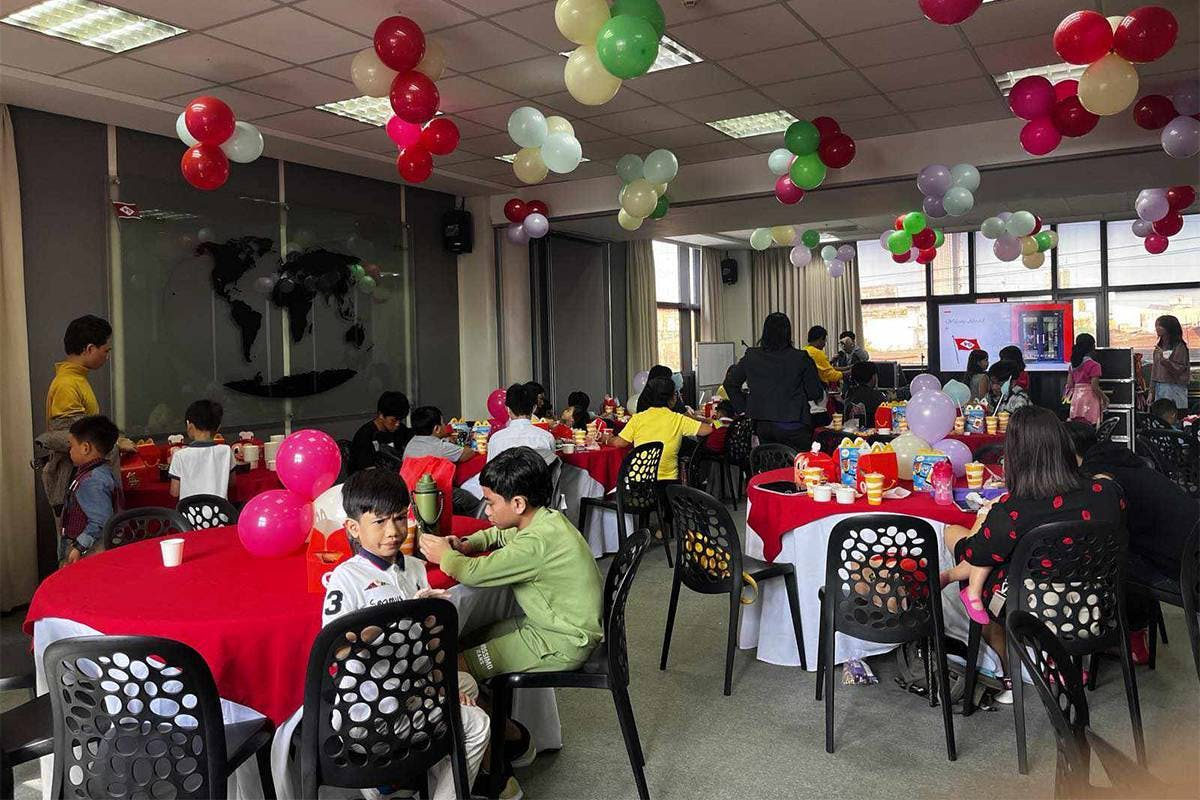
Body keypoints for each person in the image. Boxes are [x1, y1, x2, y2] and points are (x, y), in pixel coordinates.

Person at [322, 469, 489, 800]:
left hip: (407, 692)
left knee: (466, 684)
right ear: (353, 528)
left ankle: (426, 783)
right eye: (380, 522)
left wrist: (444, 687)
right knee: (478, 724)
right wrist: (399, 618)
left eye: (400, 518)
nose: (393, 531)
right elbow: (336, 648)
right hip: (371, 709)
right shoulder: (346, 578)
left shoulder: (413, 568)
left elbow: (429, 649)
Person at [942, 407, 1123, 701]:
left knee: (979, 576)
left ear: (1014, 456)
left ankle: (1006, 672)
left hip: (1032, 615)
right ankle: (1062, 663)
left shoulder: (1013, 510)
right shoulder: (1108, 493)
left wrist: (971, 529)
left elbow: (973, 553)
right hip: (1098, 610)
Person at [420, 447, 603, 680]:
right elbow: (499, 534)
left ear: (517, 504)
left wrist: (444, 555)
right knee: (467, 639)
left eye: (491, 503)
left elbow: (473, 572)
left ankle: (488, 715)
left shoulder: (535, 543)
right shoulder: (543, 519)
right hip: (551, 625)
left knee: (456, 665)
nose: (486, 511)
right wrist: (469, 544)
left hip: (561, 641)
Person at [1067, 421, 1199, 663]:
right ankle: (1135, 636)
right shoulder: (1121, 459)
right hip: (1192, 549)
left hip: (1181, 568)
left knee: (1107, 558)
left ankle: (1128, 639)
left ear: (1070, 452)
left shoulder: (1098, 475)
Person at [723, 312, 824, 451]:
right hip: (794, 425)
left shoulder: (751, 356)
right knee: (798, 468)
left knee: (769, 465)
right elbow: (815, 393)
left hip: (763, 425)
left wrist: (745, 407)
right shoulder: (801, 358)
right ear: (788, 333)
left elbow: (730, 384)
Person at [610, 377, 714, 483]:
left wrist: (607, 439)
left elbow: (619, 442)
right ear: (672, 398)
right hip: (668, 485)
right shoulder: (677, 419)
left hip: (640, 484)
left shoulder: (638, 418)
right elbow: (708, 429)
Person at [58, 415, 121, 566]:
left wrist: (79, 547)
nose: (70, 451)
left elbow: (101, 520)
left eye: (71, 445)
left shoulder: (91, 481)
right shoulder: (103, 471)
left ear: (85, 448)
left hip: (88, 552)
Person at [404, 406, 479, 516]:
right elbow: (468, 453)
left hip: (410, 491)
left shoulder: (411, 443)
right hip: (435, 490)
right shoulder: (440, 447)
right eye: (443, 423)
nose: (445, 426)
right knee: (473, 502)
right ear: (436, 429)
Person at [46, 314, 111, 426]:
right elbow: (75, 440)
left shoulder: (76, 379)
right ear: (90, 349)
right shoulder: (67, 385)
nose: (107, 357)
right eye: (106, 351)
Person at [169, 399, 234, 500]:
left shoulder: (179, 455)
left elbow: (174, 492)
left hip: (189, 514)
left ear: (189, 426)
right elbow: (231, 483)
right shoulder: (226, 451)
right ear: (218, 428)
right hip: (220, 513)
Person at [488, 383, 556, 464]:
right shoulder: (546, 438)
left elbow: (490, 473)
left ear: (508, 409)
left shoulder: (495, 440)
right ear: (534, 408)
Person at [348, 391, 411, 473]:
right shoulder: (365, 436)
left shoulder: (401, 430)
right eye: (393, 420)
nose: (397, 424)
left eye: (400, 419)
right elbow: (369, 470)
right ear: (381, 415)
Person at [1064, 333, 1107, 425]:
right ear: (1091, 347)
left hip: (1076, 399)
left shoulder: (1073, 365)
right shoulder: (1095, 365)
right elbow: (1095, 387)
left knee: (1077, 425)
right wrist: (1105, 398)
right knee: (1091, 425)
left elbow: (1070, 385)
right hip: (1090, 399)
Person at [1151, 314, 1191, 410]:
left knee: (1174, 418)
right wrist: (1151, 392)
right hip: (1159, 387)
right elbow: (1154, 371)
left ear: (1167, 328)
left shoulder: (1179, 347)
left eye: (1159, 326)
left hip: (1174, 387)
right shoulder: (1159, 347)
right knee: (1160, 418)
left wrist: (1164, 360)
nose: (1156, 328)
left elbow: (1179, 369)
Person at [841, 362, 885, 427]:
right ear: (873, 377)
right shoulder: (877, 396)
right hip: (871, 434)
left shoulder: (849, 393)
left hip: (849, 432)